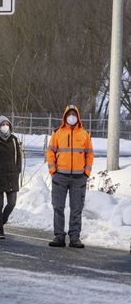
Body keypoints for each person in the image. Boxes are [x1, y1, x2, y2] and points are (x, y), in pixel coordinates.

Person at [46, 105, 94, 248]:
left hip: (79, 179)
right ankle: (59, 236)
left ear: (78, 116)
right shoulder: (57, 133)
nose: (71, 116)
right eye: (69, 114)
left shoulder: (84, 134)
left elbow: (90, 154)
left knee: (76, 209)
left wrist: (86, 173)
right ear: (65, 116)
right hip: (60, 177)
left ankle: (74, 238)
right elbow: (50, 153)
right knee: (58, 207)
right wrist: (53, 171)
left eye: (74, 114)